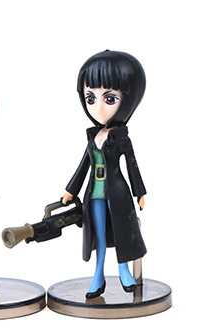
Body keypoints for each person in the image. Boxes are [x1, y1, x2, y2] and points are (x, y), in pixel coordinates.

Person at [62, 50, 147, 298]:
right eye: (90, 98)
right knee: (98, 235)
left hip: (117, 192)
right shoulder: (93, 136)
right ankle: (98, 275)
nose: (98, 108)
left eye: (109, 99)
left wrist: (139, 192)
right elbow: (83, 166)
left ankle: (124, 270)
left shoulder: (121, 138)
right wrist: (71, 190)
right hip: (94, 194)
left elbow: (132, 166)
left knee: (121, 231)